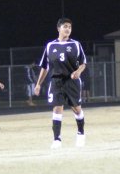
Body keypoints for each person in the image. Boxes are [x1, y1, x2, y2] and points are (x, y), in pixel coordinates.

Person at [33, 17, 87, 149]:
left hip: (72, 81)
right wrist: (38, 84)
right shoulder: (50, 46)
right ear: (59, 28)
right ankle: (57, 139)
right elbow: (45, 67)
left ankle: (81, 133)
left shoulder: (76, 45)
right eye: (65, 26)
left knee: (76, 109)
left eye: (70, 27)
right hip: (56, 81)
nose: (68, 29)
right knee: (57, 108)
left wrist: (79, 71)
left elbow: (83, 63)